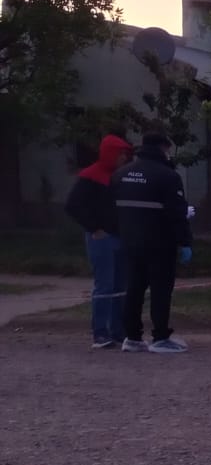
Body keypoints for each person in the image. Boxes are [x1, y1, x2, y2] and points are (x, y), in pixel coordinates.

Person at [112, 132, 193, 353]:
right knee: (160, 289)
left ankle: (132, 337)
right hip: (160, 242)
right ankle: (160, 338)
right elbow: (176, 212)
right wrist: (185, 241)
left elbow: (113, 210)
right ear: (163, 148)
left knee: (134, 288)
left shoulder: (121, 174)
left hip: (130, 241)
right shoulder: (167, 176)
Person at [65, 134, 133, 348]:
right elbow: (73, 205)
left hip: (120, 236)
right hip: (101, 238)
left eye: (125, 154)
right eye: (121, 153)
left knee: (120, 285)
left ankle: (117, 331)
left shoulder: (120, 176)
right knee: (105, 285)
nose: (124, 157)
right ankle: (100, 332)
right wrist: (94, 228)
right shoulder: (91, 176)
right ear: (111, 154)